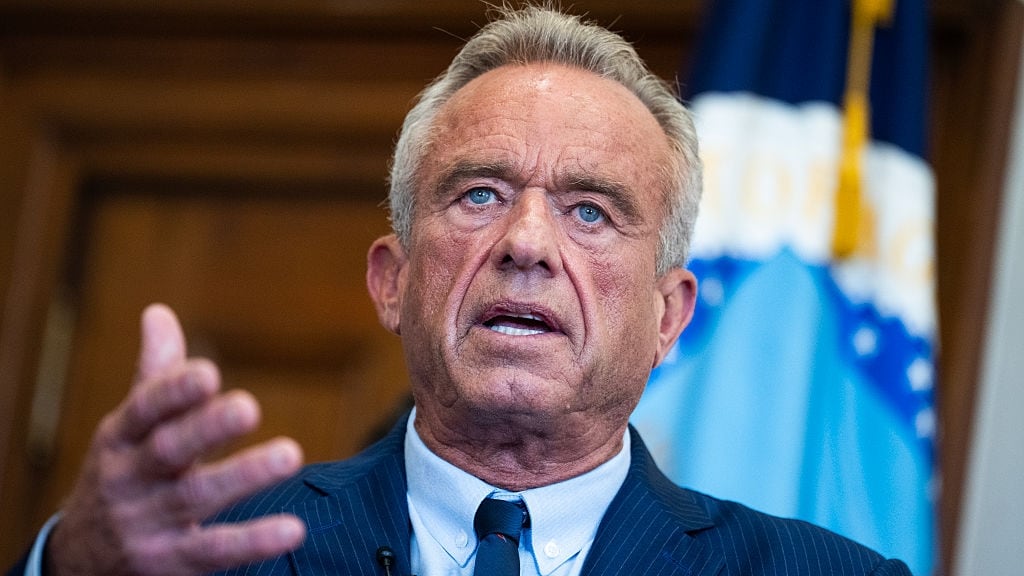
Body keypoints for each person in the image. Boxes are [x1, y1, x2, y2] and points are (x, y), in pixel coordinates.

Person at [8, 6, 913, 576]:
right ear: (392, 282)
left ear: (669, 316)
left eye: (590, 211)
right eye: (479, 194)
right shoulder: (208, 553)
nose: (526, 243)